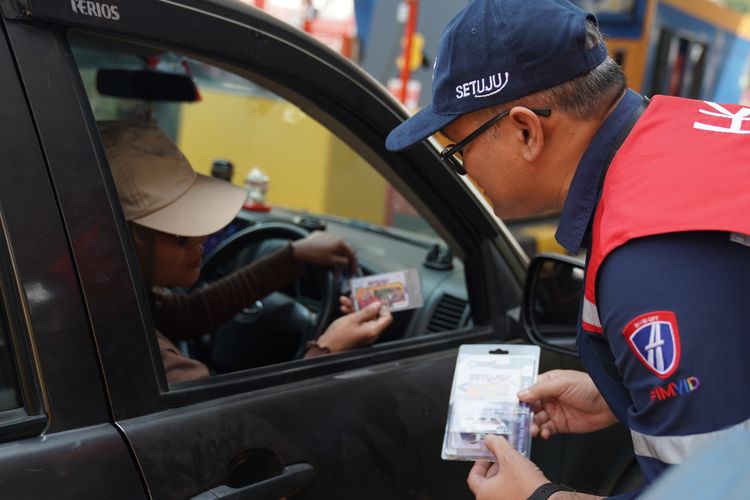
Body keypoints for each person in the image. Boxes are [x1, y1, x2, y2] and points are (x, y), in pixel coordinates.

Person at [386, 0, 750, 498]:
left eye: (457, 151)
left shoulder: (647, 258)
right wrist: (619, 392)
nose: (464, 172)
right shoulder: (690, 132)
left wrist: (538, 497)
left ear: (525, 131)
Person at [99, 120, 392, 383]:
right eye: (179, 233)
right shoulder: (162, 367)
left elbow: (189, 315)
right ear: (121, 240)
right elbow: (235, 434)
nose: (200, 236)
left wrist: (292, 256)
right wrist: (329, 350)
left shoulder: (108, 294)